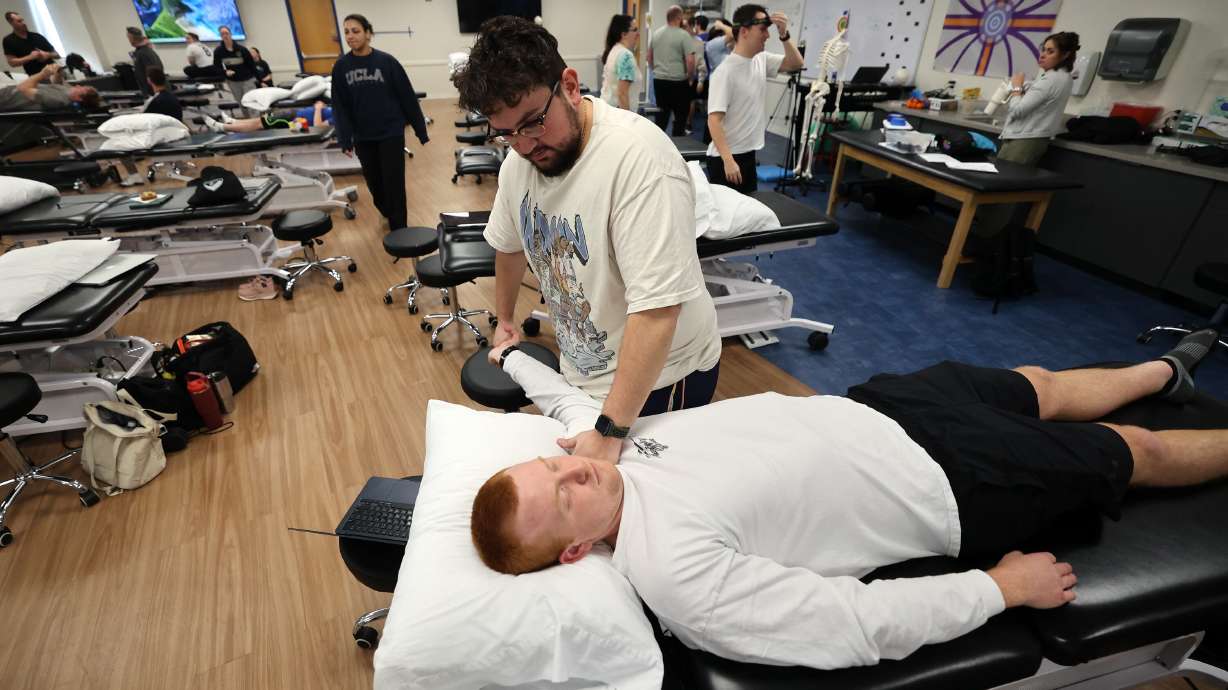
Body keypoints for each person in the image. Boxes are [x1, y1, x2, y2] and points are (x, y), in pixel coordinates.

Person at [471, 327, 1228, 670]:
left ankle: (1166, 369)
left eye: (554, 468)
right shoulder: (674, 571)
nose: (577, 474)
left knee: (1043, 383)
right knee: (1138, 450)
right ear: (576, 551)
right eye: (565, 499)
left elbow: (562, 400)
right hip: (952, 482)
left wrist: (510, 350)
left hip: (879, 405)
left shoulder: (595, 449)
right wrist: (996, 589)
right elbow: (850, 626)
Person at [453, 17, 721, 463]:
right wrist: (504, 318)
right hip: (587, 373)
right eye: (506, 133)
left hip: (663, 379)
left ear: (571, 87)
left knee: (634, 510)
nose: (523, 145)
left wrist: (610, 429)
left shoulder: (639, 161)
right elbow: (509, 243)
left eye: (533, 123)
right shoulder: (518, 164)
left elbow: (656, 312)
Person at [976, 31, 1081, 237]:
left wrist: (1016, 88)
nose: (1043, 55)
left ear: (1065, 55)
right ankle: (984, 236)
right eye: (1043, 49)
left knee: (1000, 194)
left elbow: (1017, 110)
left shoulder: (1051, 80)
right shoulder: (1059, 78)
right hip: (1028, 138)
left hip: (1024, 142)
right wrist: (1023, 89)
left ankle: (984, 240)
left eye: (1050, 51)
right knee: (1000, 192)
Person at [330, 13, 428, 232]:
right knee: (375, 185)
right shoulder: (341, 67)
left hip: (390, 133)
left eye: (355, 31)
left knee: (394, 183)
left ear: (368, 34)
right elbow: (340, 106)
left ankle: (399, 228)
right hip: (363, 136)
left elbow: (407, 97)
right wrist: (344, 138)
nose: (350, 36)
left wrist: (420, 130)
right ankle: (386, 210)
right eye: (346, 32)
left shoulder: (387, 62)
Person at [706, 4, 802, 194]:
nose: (767, 35)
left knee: (749, 215)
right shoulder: (725, 72)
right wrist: (728, 161)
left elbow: (796, 63)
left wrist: (785, 34)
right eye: (763, 30)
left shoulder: (761, 60)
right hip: (726, 159)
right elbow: (713, 120)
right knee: (728, 220)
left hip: (747, 153)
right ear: (744, 31)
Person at [647, 6, 695, 136]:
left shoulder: (656, 34)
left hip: (659, 81)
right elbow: (690, 61)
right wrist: (689, 76)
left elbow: (649, 57)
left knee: (661, 116)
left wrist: (656, 70)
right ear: (679, 18)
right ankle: (678, 146)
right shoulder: (684, 35)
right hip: (678, 82)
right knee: (680, 117)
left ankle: (657, 145)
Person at [0, 63, 99, 111]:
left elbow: (22, 88)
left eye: (81, 88)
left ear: (78, 98)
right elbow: (56, 84)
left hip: (5, 96)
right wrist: (58, 73)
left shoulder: (56, 100)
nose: (77, 85)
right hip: (9, 88)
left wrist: (42, 74)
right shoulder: (68, 92)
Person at [202, 100, 332, 133]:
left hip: (295, 121)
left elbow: (318, 126)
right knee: (261, 120)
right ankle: (233, 122)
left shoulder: (341, 117)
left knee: (259, 124)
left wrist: (318, 109)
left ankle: (222, 127)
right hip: (295, 114)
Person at [599, 15, 641, 111]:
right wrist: (626, 122)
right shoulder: (626, 56)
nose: (638, 34)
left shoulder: (615, 50)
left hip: (609, 109)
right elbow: (622, 94)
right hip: (618, 113)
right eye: (635, 30)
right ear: (624, 34)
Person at [213, 26, 258, 112]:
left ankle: (256, 124)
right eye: (222, 34)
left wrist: (260, 80)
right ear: (220, 36)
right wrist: (225, 72)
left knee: (251, 103)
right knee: (242, 104)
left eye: (226, 33)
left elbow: (251, 65)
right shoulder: (218, 51)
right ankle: (248, 123)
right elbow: (216, 67)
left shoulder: (242, 49)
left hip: (247, 79)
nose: (225, 35)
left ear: (230, 34)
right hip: (233, 81)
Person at [3, 11, 59, 76]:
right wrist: (30, 57)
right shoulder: (9, 40)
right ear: (11, 23)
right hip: (37, 78)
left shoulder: (37, 36)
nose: (23, 23)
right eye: (19, 21)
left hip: (55, 73)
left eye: (23, 20)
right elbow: (12, 63)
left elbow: (57, 55)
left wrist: (48, 54)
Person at [126, 27, 163, 97]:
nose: (129, 40)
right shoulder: (143, 51)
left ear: (131, 38)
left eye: (128, 38)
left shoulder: (143, 53)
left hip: (153, 90)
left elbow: (153, 73)